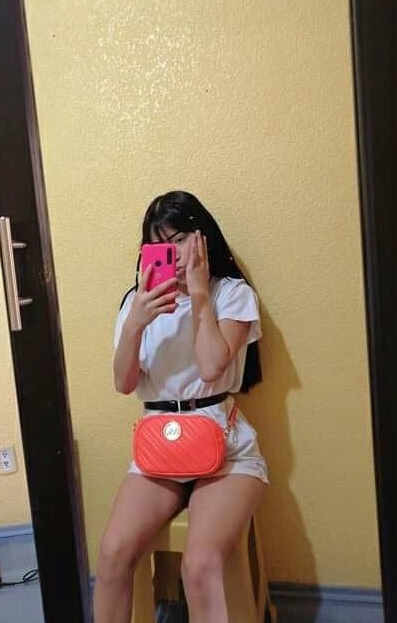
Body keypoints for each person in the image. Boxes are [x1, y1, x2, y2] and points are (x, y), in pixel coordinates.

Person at [93, 190, 268, 623]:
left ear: (203, 237)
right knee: (113, 551)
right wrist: (135, 322)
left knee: (200, 565)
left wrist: (199, 296)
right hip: (160, 448)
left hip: (227, 449)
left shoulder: (231, 293)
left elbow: (211, 367)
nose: (173, 252)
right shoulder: (137, 303)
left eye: (181, 238)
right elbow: (124, 384)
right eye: (159, 243)